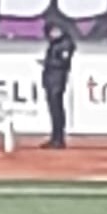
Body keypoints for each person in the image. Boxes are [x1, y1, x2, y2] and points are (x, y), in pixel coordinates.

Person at [39, 21, 74, 149]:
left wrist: (47, 63)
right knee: (54, 110)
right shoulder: (54, 43)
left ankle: (58, 138)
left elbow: (63, 62)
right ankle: (55, 137)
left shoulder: (65, 43)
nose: (52, 33)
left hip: (57, 80)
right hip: (51, 79)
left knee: (57, 110)